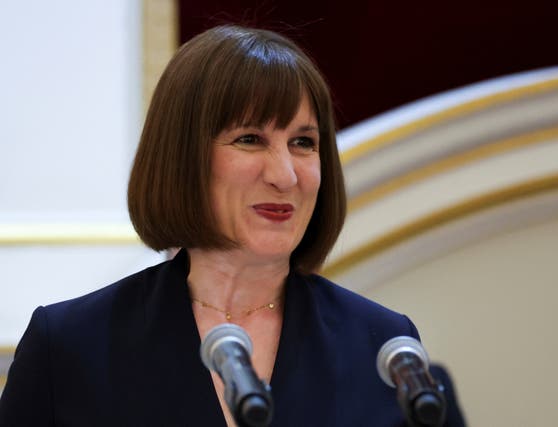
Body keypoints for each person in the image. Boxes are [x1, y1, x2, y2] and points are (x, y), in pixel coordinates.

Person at [0, 25, 465, 426]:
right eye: (250, 139)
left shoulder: (383, 347)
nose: (285, 175)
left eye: (303, 142)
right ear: (182, 159)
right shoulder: (67, 346)